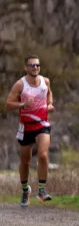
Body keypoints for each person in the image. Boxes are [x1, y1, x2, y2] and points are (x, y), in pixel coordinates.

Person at [4, 54, 55, 207]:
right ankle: (25, 189)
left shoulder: (45, 81)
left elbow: (49, 93)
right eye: (32, 65)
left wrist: (50, 104)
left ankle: (41, 190)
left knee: (43, 155)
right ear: (26, 67)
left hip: (42, 124)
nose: (35, 67)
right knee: (25, 162)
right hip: (26, 127)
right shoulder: (20, 85)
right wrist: (22, 105)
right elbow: (8, 105)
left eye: (37, 65)